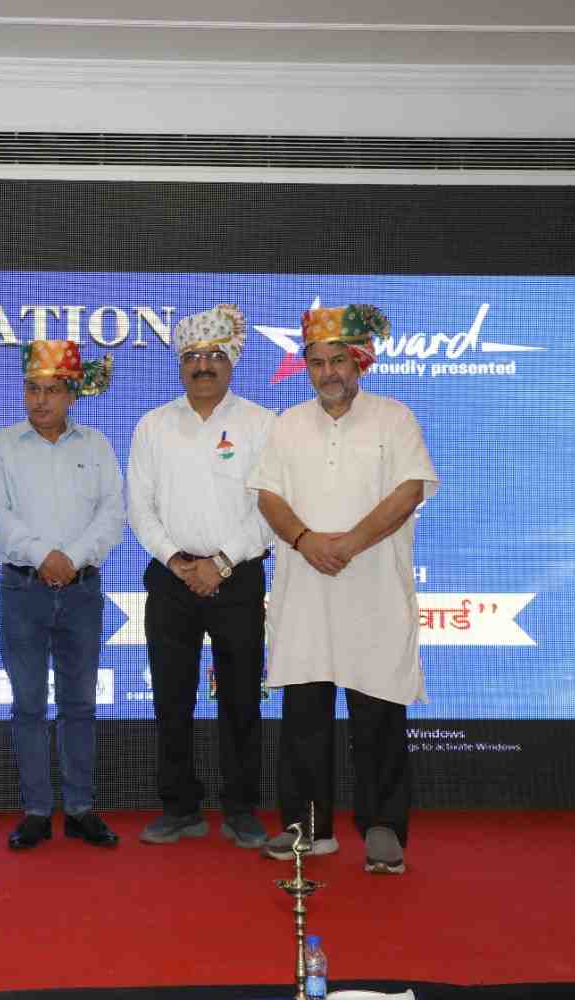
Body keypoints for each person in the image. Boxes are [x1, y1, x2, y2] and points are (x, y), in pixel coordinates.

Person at [249, 304, 438, 875]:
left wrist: (350, 543)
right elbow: (267, 496)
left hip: (373, 592)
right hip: (306, 592)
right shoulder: (287, 425)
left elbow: (409, 491)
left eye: (338, 360)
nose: (328, 372)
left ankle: (383, 829)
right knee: (304, 717)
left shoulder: (394, 418)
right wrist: (305, 540)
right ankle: (308, 829)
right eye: (316, 362)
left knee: (378, 713)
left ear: (360, 362)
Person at [127, 304, 275, 850]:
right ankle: (179, 808)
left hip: (238, 578)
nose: (203, 365)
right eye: (192, 356)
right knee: (172, 698)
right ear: (180, 364)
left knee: (242, 698)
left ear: (232, 361)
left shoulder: (262, 424)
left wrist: (223, 562)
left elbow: (270, 507)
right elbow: (139, 506)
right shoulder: (153, 425)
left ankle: (241, 809)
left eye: (214, 355)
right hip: (172, 579)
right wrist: (177, 561)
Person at [0, 340, 122, 850]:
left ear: (72, 395)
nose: (40, 400)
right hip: (23, 589)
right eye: (32, 389)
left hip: (82, 591)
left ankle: (80, 808)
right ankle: (37, 811)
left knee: (79, 704)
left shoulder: (97, 446)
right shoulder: (1, 447)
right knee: (28, 706)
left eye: (52, 391)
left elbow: (112, 514)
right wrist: (44, 556)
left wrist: (72, 558)